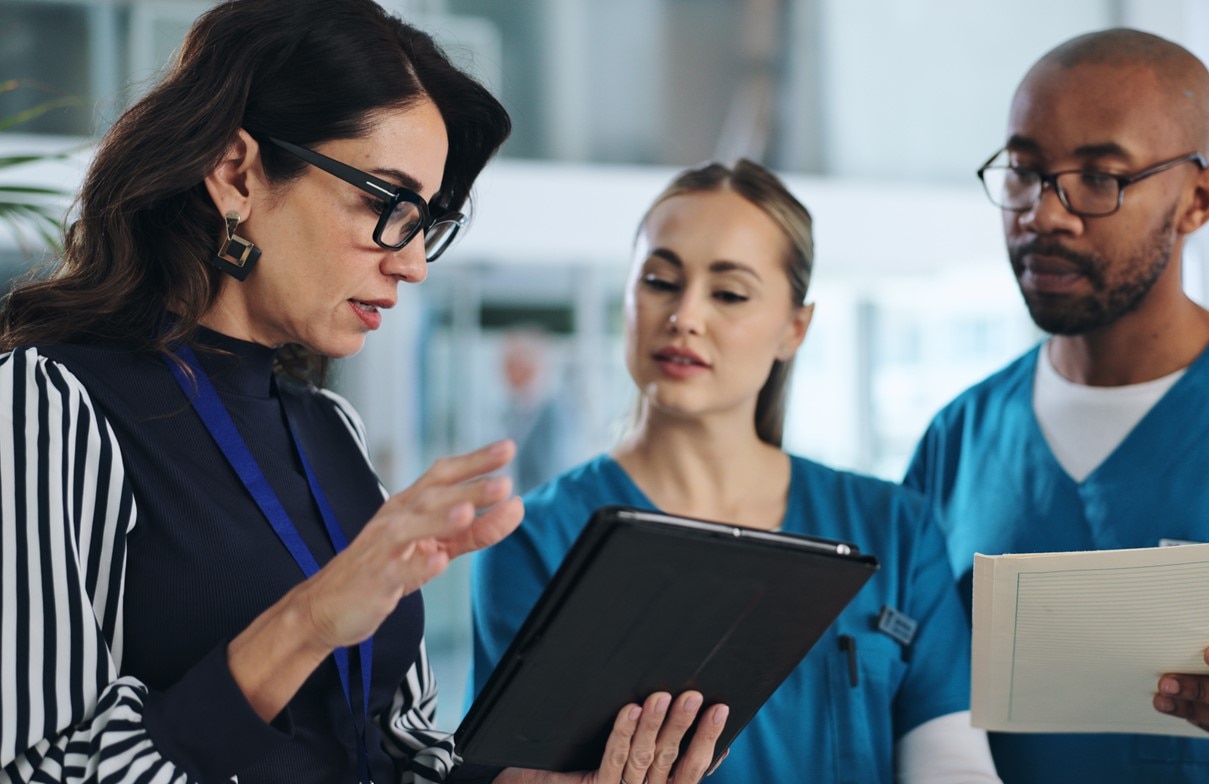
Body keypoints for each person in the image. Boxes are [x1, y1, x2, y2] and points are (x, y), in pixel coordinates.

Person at [0, 2, 725, 782]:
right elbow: (40, 768)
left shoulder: (330, 428)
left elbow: (397, 745)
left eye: (426, 223)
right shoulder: (51, 401)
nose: (412, 264)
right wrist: (308, 621)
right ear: (237, 173)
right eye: (386, 204)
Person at [469, 159, 1002, 783]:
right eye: (661, 280)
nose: (685, 316)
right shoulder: (534, 538)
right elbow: (507, 772)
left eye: (728, 293)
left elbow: (950, 759)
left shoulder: (893, 528)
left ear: (794, 329)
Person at [904, 28, 1209, 783]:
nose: (1045, 215)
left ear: (1198, 201)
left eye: (1102, 177)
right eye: (1024, 171)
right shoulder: (959, 440)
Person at [498, 326, 580, 494]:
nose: (502, 372)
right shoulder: (518, 408)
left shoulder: (553, 412)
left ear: (526, 366)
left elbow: (552, 471)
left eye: (508, 364)